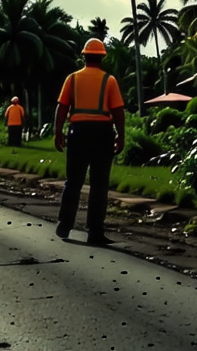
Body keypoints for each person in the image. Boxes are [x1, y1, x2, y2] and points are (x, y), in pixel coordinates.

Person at [55, 38, 126, 245]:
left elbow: (62, 108)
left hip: (78, 132)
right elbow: (118, 111)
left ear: (84, 56)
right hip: (102, 134)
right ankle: (94, 231)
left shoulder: (72, 79)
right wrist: (120, 135)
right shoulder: (109, 80)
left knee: (73, 182)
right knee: (99, 185)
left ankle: (64, 224)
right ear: (102, 57)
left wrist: (58, 133)